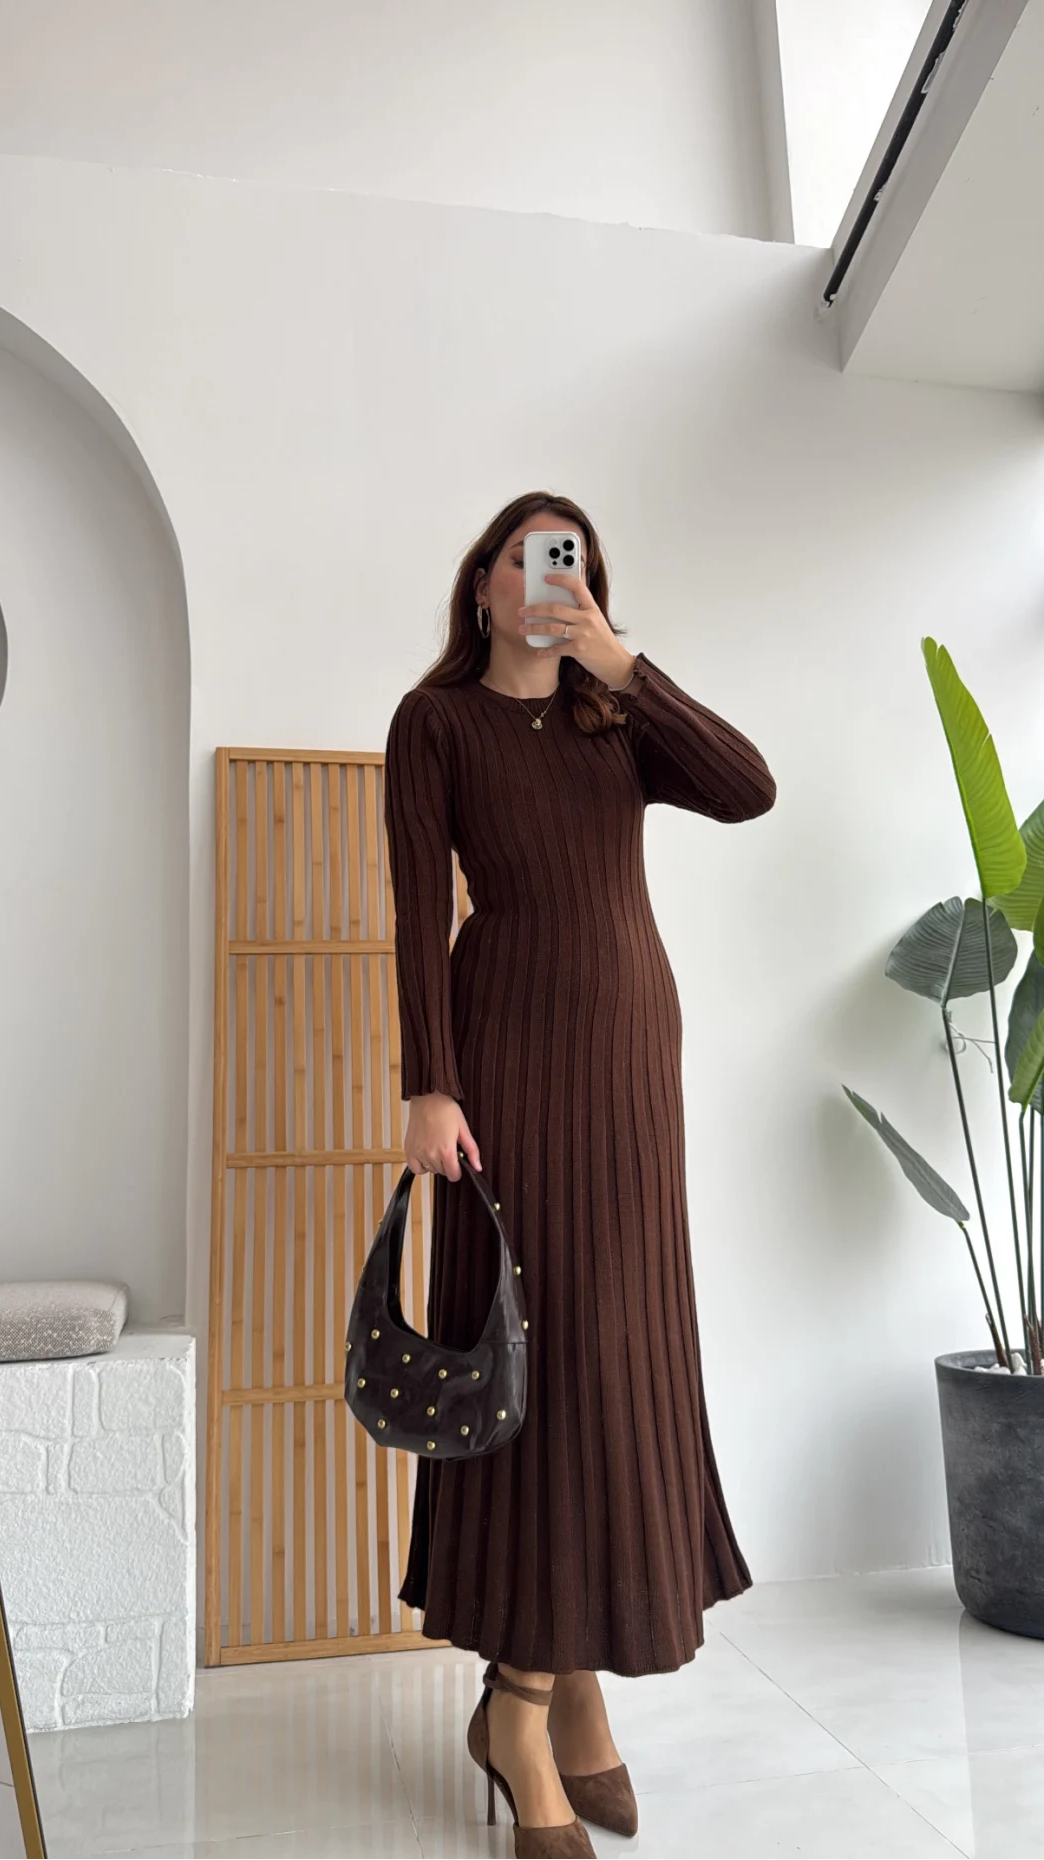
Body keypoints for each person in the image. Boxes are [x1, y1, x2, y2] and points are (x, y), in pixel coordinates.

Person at [383, 491, 776, 1857]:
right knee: (529, 1365)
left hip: (630, 1067)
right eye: (528, 558)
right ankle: (522, 1712)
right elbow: (415, 912)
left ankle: (567, 1688)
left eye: (576, 567)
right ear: (482, 585)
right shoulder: (434, 723)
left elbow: (750, 785)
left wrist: (623, 662)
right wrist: (429, 1083)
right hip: (506, 1069)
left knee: (614, 1360)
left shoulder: (618, 721)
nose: (552, 581)